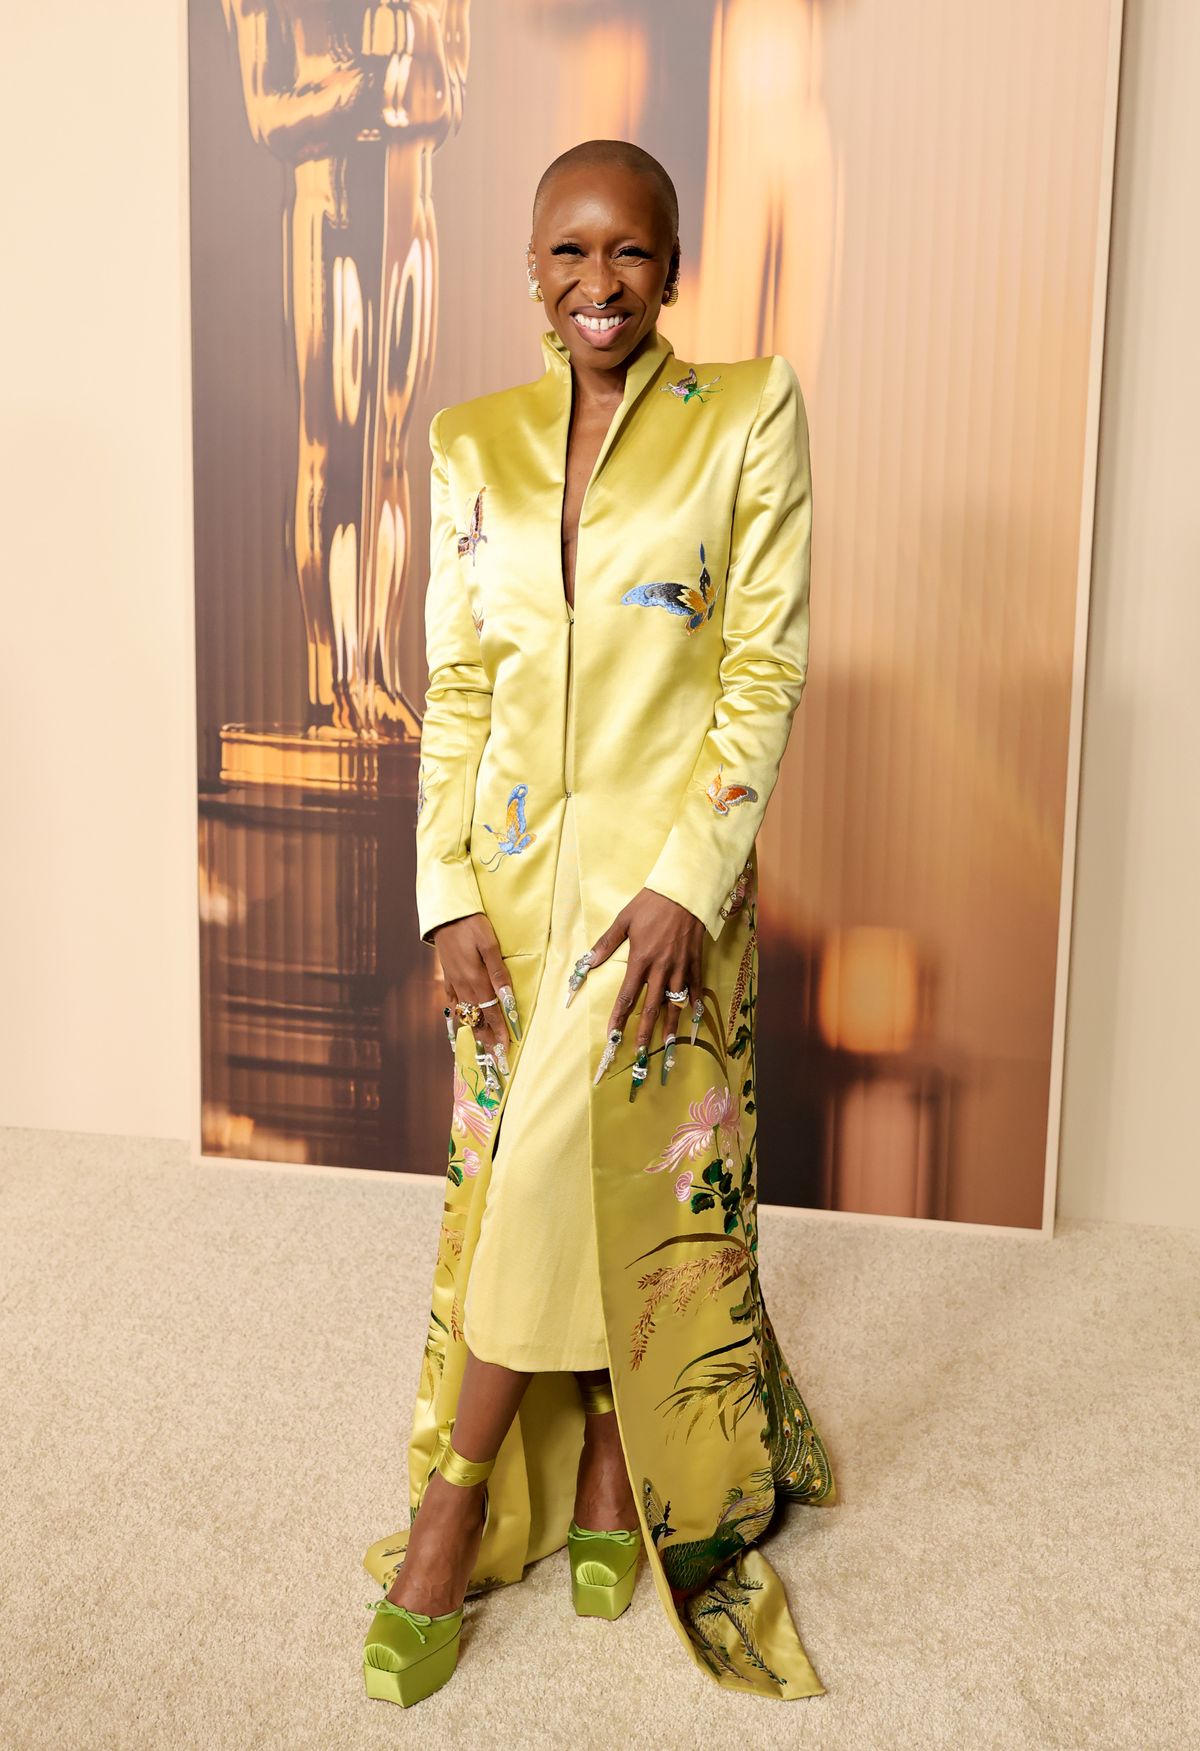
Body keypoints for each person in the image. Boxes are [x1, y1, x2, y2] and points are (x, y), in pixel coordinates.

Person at [362, 138, 836, 1709]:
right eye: (568, 254)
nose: (598, 285)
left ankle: (452, 1511)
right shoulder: (471, 444)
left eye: (628, 253)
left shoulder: (746, 415)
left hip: (662, 896)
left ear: (674, 267)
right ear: (530, 269)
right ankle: (594, 1478)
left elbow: (761, 670)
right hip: (510, 892)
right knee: (531, 1182)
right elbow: (460, 690)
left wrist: (687, 886)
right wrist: (443, 897)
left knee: (599, 1166)